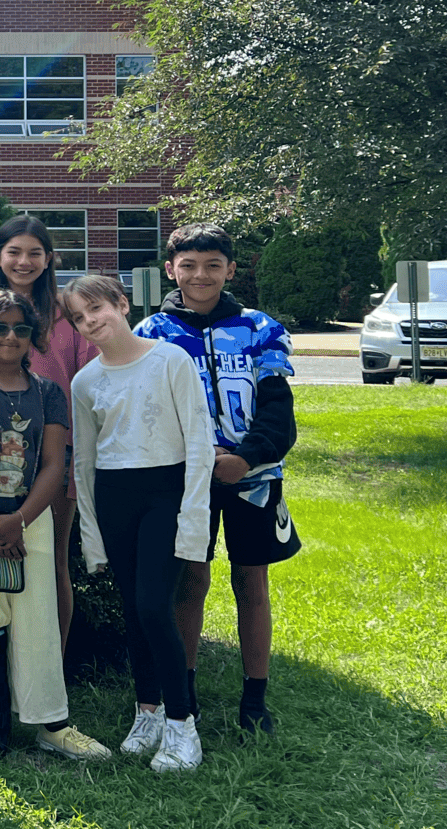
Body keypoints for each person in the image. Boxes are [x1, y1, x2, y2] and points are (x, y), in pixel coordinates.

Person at [133, 224, 299, 733]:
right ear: (170, 270)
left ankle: (255, 699)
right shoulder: (151, 334)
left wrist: (247, 459)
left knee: (252, 580)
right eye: (188, 265)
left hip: (253, 477)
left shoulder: (260, 328)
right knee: (190, 580)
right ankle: (186, 692)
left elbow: (278, 410)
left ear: (230, 269)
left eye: (212, 265)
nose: (199, 275)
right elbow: (147, 413)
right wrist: (196, 463)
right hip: (186, 481)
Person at [0, 290, 110, 762]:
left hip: (30, 517)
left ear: (34, 336)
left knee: (37, 619)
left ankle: (51, 722)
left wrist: (19, 519)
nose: (9, 336)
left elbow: (55, 463)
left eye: (20, 328)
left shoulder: (47, 392)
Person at [67, 273, 215, 773]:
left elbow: (198, 443)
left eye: (97, 309)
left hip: (166, 493)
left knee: (156, 607)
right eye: (80, 318)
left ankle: (182, 724)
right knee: (133, 610)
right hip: (115, 496)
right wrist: (92, 540)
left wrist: (193, 521)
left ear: (121, 304)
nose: (91, 322)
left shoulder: (170, 360)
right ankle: (146, 710)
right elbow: (84, 465)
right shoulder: (84, 382)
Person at [0, 215, 97, 649]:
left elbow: (90, 379)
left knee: (51, 564)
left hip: (54, 462)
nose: (24, 261)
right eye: (13, 252)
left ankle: (50, 666)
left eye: (34, 252)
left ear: (49, 258)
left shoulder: (67, 313)